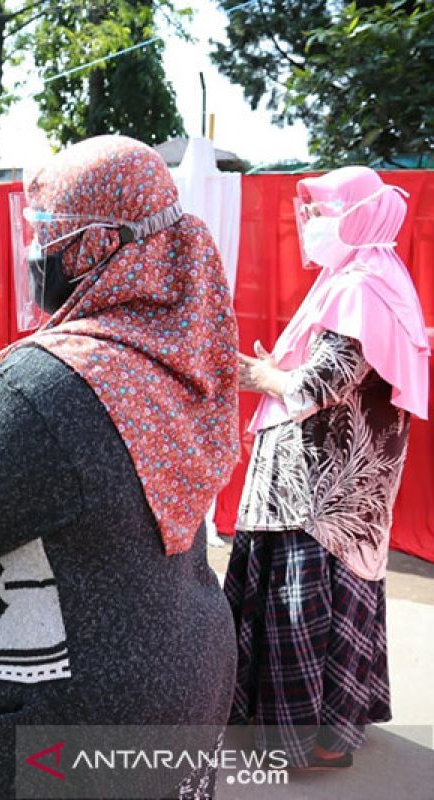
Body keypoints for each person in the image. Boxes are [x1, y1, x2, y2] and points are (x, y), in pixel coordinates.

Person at [0, 136, 240, 799]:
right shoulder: (183, 352)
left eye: (46, 229)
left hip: (75, 727)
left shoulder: (52, 385)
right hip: (184, 680)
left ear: (95, 246)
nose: (33, 250)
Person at [225, 166, 428, 769]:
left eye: (324, 211)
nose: (311, 223)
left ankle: (308, 741)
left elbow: (322, 382)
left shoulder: (360, 287)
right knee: (340, 606)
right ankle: (331, 732)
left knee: (301, 609)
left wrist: (258, 374)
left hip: (318, 497)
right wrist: (279, 371)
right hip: (341, 496)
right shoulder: (372, 278)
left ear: (360, 214)